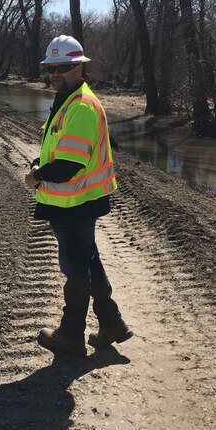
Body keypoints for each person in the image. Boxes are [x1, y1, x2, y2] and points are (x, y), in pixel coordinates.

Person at [24, 35, 133, 357]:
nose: (56, 73)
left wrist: (37, 176)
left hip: (73, 202)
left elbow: (69, 164)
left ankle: (70, 334)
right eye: (51, 68)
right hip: (73, 201)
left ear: (79, 68)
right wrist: (39, 162)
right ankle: (112, 323)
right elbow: (58, 149)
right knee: (87, 261)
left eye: (64, 67)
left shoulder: (81, 106)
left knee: (75, 268)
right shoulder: (68, 100)